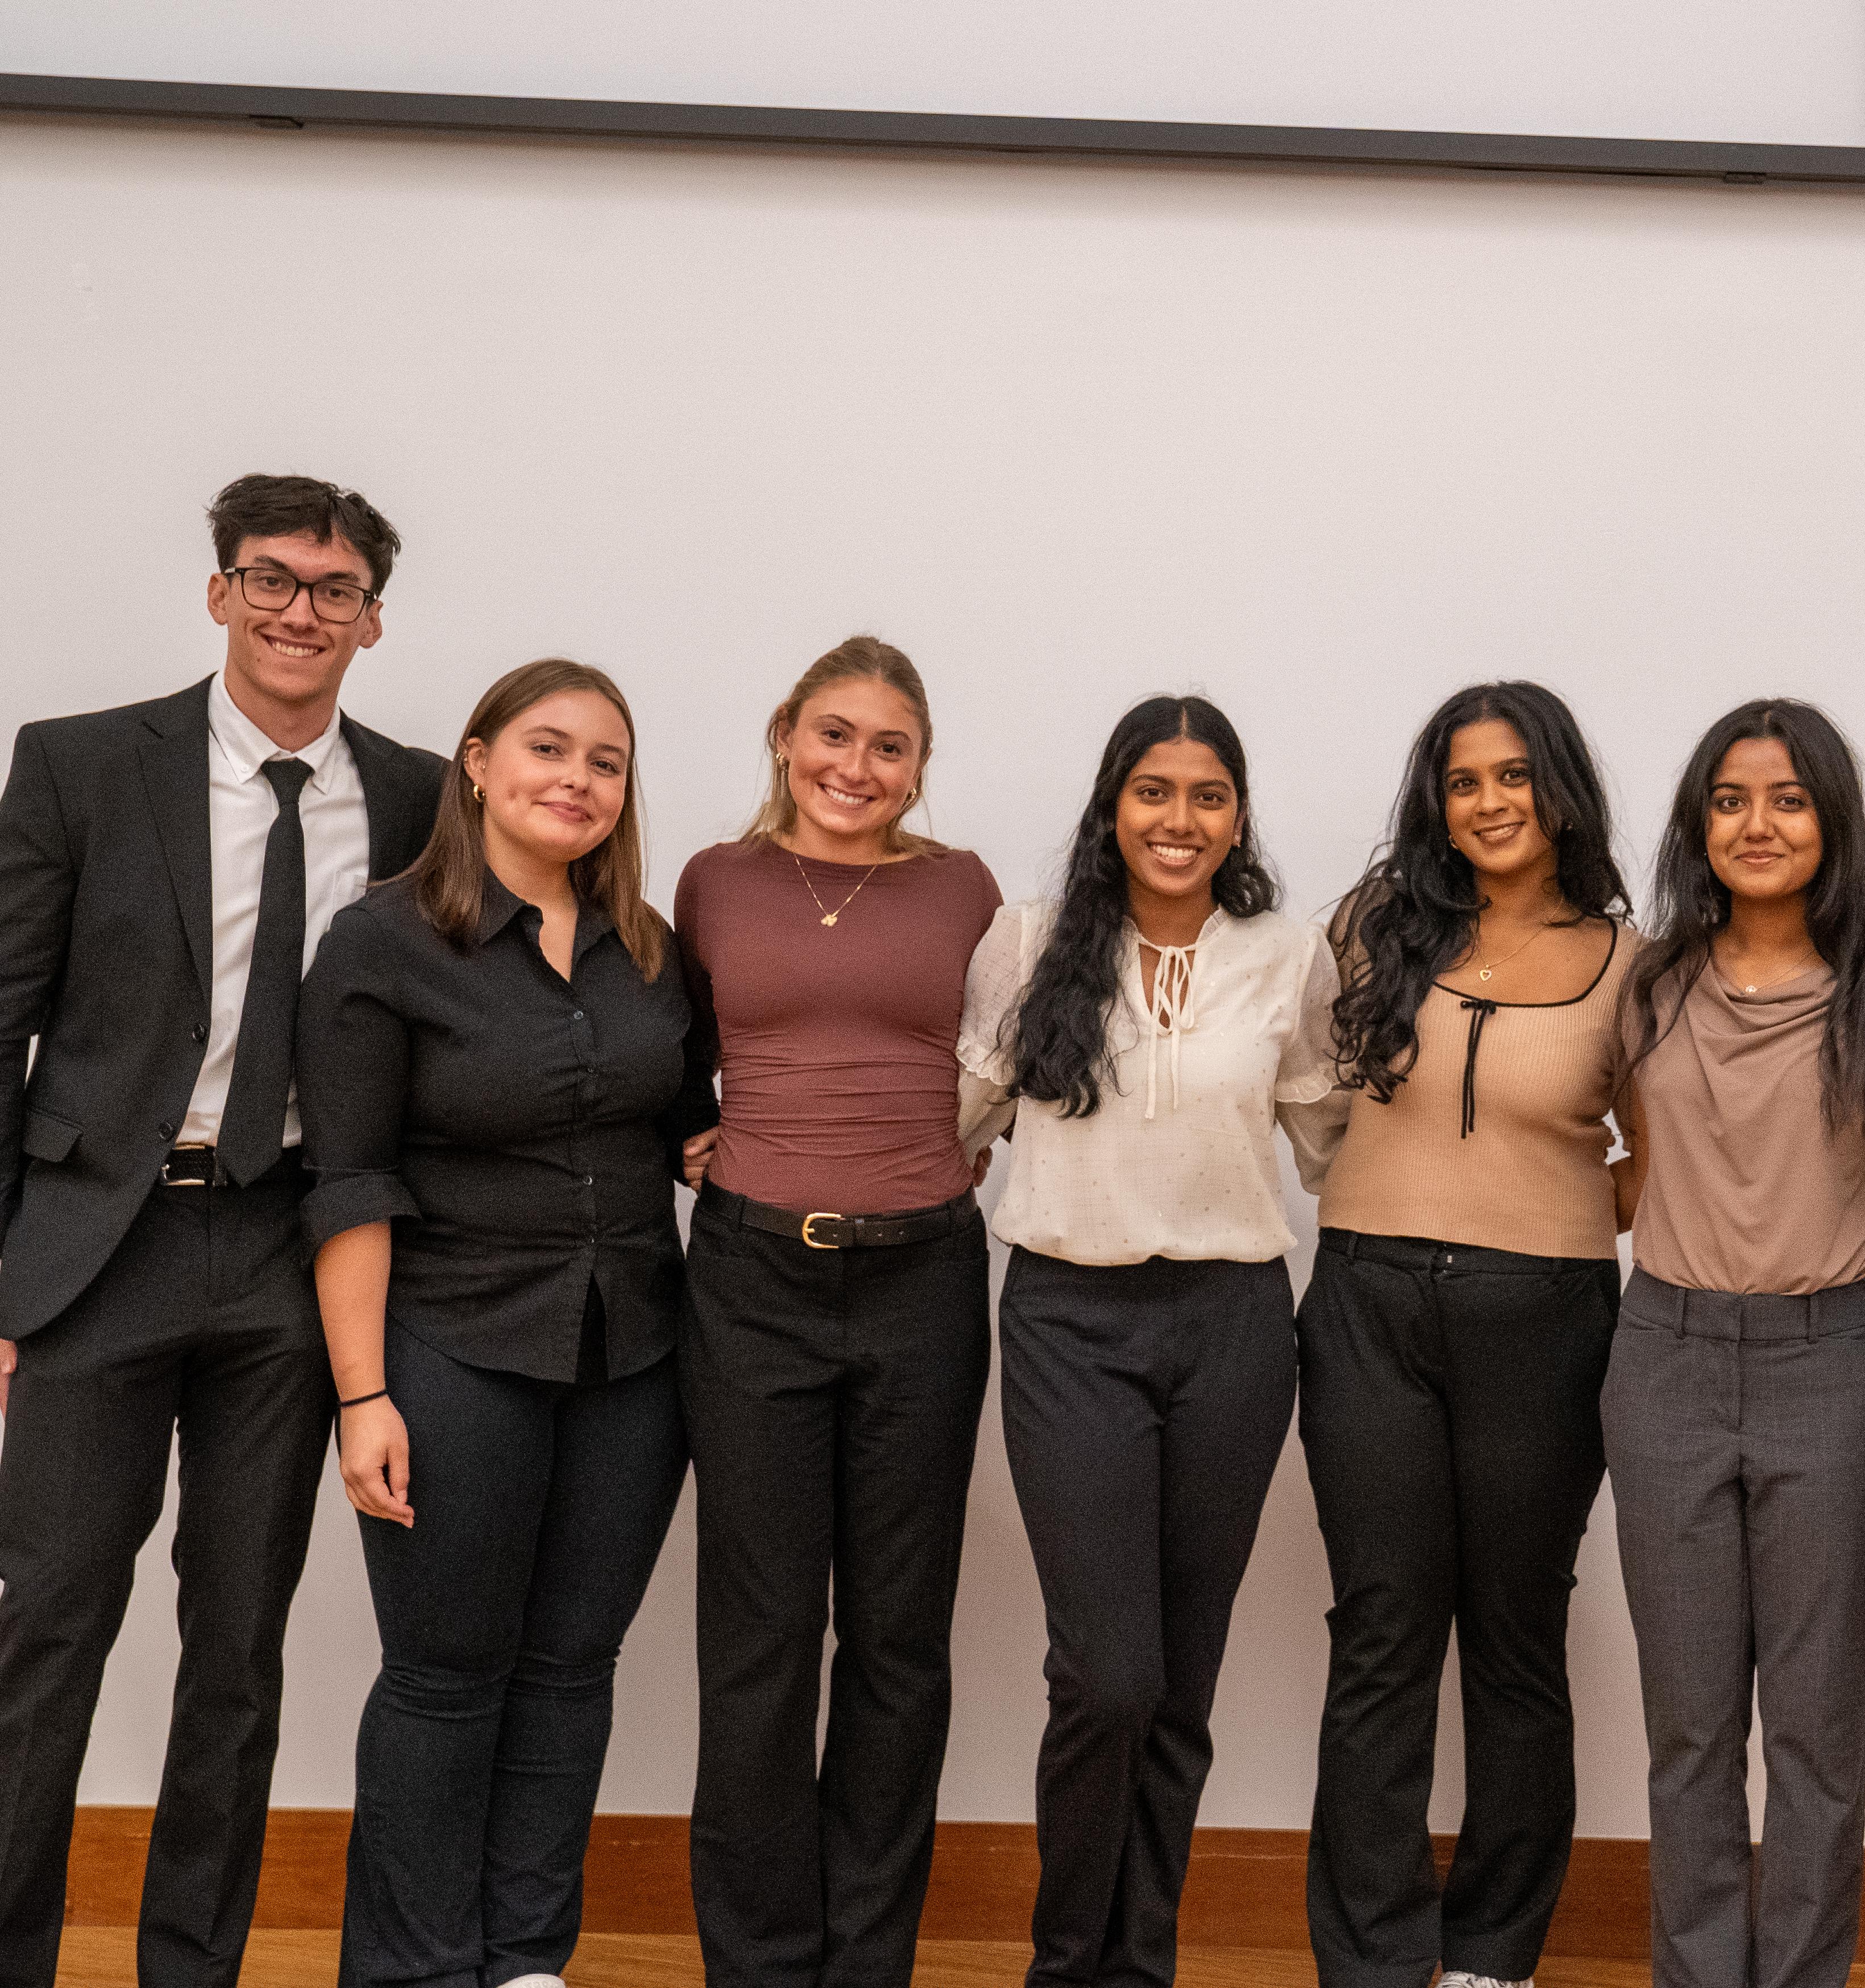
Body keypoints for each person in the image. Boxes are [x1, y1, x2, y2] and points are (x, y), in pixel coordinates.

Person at [0, 475, 442, 1988]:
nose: (298, 611)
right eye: (270, 579)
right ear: (221, 594)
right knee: (49, 1628)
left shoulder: (418, 800)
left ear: (372, 620)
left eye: (334, 589)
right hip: (97, 1252)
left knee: (239, 1652)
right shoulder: (78, 767)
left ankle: (190, 1969)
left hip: (287, 1254)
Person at [297, 658, 704, 1988]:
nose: (577, 779)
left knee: (572, 1669)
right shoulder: (381, 941)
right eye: (547, 747)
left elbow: (691, 1122)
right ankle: (416, 1969)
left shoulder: (651, 949)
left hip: (633, 1358)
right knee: (444, 1677)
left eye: (605, 761)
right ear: (475, 764)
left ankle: (527, 1960)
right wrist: (363, 1396)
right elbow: (350, 1180)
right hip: (451, 1349)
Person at [957, 694, 1344, 1988]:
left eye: (1208, 795)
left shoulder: (1287, 954)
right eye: (1154, 791)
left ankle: (1142, 1966)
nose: (1180, 819)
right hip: (1070, 1323)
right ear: (1112, 807)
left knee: (1180, 1685)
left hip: (1234, 1327)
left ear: (1237, 816)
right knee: (1107, 1677)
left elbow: (1335, 1148)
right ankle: (1066, 1963)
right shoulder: (1026, 942)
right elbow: (950, 1125)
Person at [673, 637, 1004, 1987]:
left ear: (918, 766)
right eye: (833, 734)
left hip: (925, 1280)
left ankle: (867, 1962)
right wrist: (681, 1133)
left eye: (888, 745)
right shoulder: (714, 881)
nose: (855, 766)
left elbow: (1010, 1057)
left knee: (897, 1638)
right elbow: (664, 1049)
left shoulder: (965, 889)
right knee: (756, 1638)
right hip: (752, 1280)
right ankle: (759, 1965)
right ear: (784, 734)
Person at [1604, 698, 1865, 1988]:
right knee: (1688, 1727)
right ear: (1699, 823)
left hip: (1833, 1364)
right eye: (1732, 799)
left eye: (1789, 799)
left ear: (1832, 821)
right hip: (1664, 1357)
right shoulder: (1646, 985)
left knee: (1814, 1730)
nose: (1759, 823)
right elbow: (1637, 1170)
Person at [1299, 682, 1638, 1988]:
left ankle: (1493, 1955)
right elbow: (1307, 1090)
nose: (1490, 802)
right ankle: (1373, 1957)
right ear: (1435, 803)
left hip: (1545, 1318)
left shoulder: (1631, 961)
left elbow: (1663, 1157)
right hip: (1366, 1304)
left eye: (1514, 776)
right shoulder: (1370, 926)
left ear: (1560, 790)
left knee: (1515, 1636)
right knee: (1382, 1631)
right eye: (1463, 781)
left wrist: (1541, 1204)